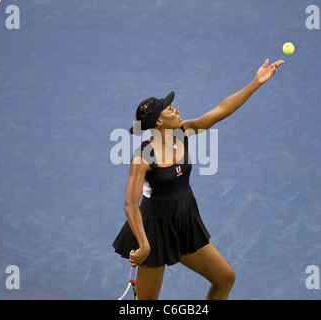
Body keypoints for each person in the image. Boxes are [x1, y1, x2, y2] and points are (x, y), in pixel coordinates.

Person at [113, 59, 284, 300]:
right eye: (169, 109)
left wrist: (255, 83)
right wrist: (143, 244)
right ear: (159, 122)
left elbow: (221, 110)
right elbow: (130, 205)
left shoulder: (183, 132)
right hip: (153, 231)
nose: (176, 109)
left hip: (184, 221)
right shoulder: (143, 157)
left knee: (225, 278)